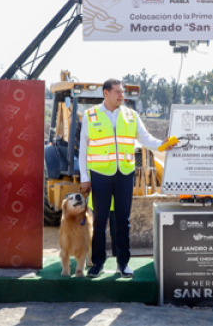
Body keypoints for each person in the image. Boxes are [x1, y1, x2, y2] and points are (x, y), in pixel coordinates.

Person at [79, 79, 173, 278]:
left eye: (122, 92)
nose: (122, 95)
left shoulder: (131, 115)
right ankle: (98, 263)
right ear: (106, 93)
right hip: (100, 175)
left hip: (125, 174)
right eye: (118, 92)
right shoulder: (90, 115)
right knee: (99, 221)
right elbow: (83, 149)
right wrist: (84, 178)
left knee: (123, 221)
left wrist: (162, 145)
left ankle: (123, 263)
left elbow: (145, 138)